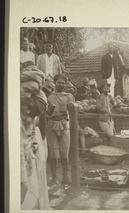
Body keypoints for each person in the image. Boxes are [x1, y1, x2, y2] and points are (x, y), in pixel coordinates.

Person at [20, 66, 50, 209]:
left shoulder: (38, 101)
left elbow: (39, 124)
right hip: (23, 147)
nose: (28, 96)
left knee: (32, 183)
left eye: (32, 93)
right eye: (26, 91)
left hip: (31, 145)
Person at [47, 74, 75, 185]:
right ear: (55, 83)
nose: (61, 84)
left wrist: (71, 107)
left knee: (64, 152)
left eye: (63, 83)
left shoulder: (69, 96)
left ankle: (66, 177)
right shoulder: (49, 96)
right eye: (59, 82)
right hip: (52, 125)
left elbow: (73, 110)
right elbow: (46, 112)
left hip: (64, 125)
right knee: (53, 153)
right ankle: (54, 177)